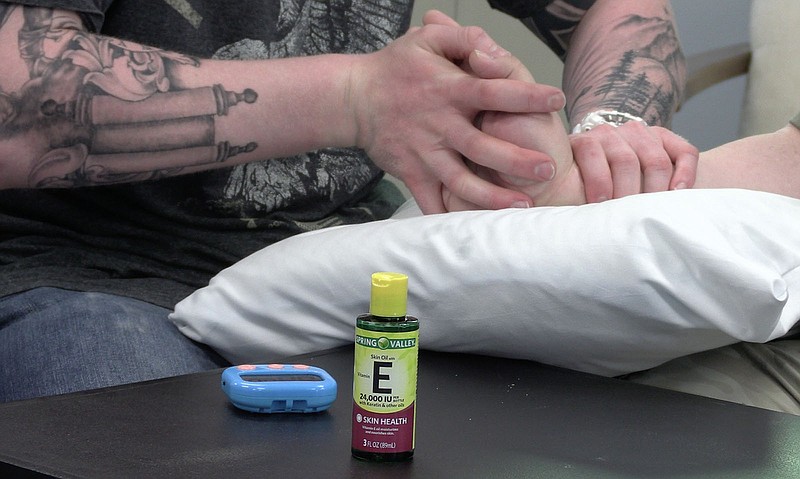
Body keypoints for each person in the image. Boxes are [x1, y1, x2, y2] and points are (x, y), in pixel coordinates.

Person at [0, 1, 692, 402]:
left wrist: (613, 124)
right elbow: (15, 108)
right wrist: (356, 99)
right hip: (92, 276)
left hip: (351, 265)